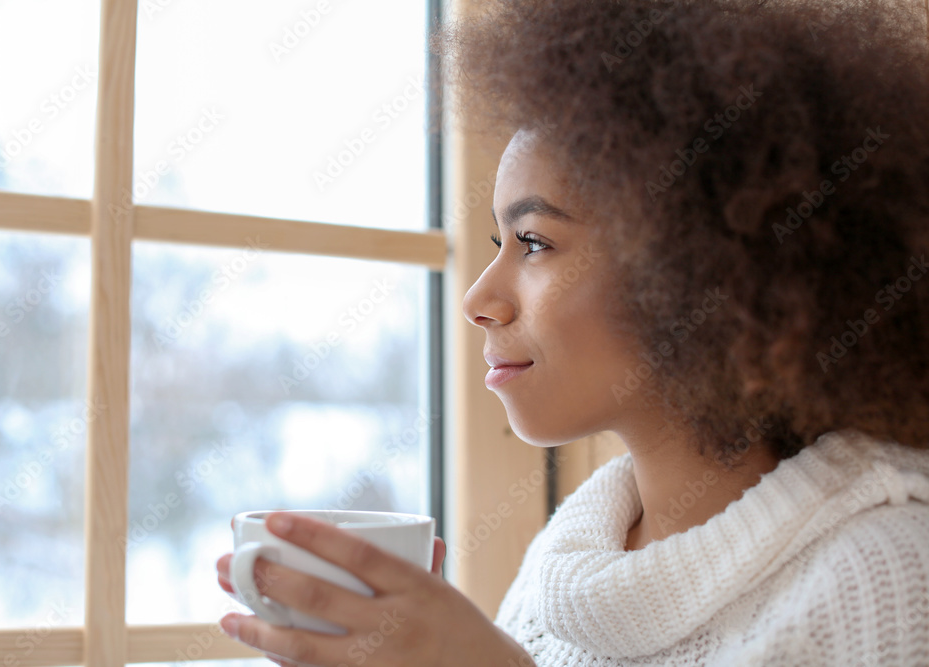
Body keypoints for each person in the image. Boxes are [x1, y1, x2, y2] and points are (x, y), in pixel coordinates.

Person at [215, 0, 929, 664]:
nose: (478, 298)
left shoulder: (888, 577)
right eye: (497, 240)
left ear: (700, 270)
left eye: (532, 242)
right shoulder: (559, 570)